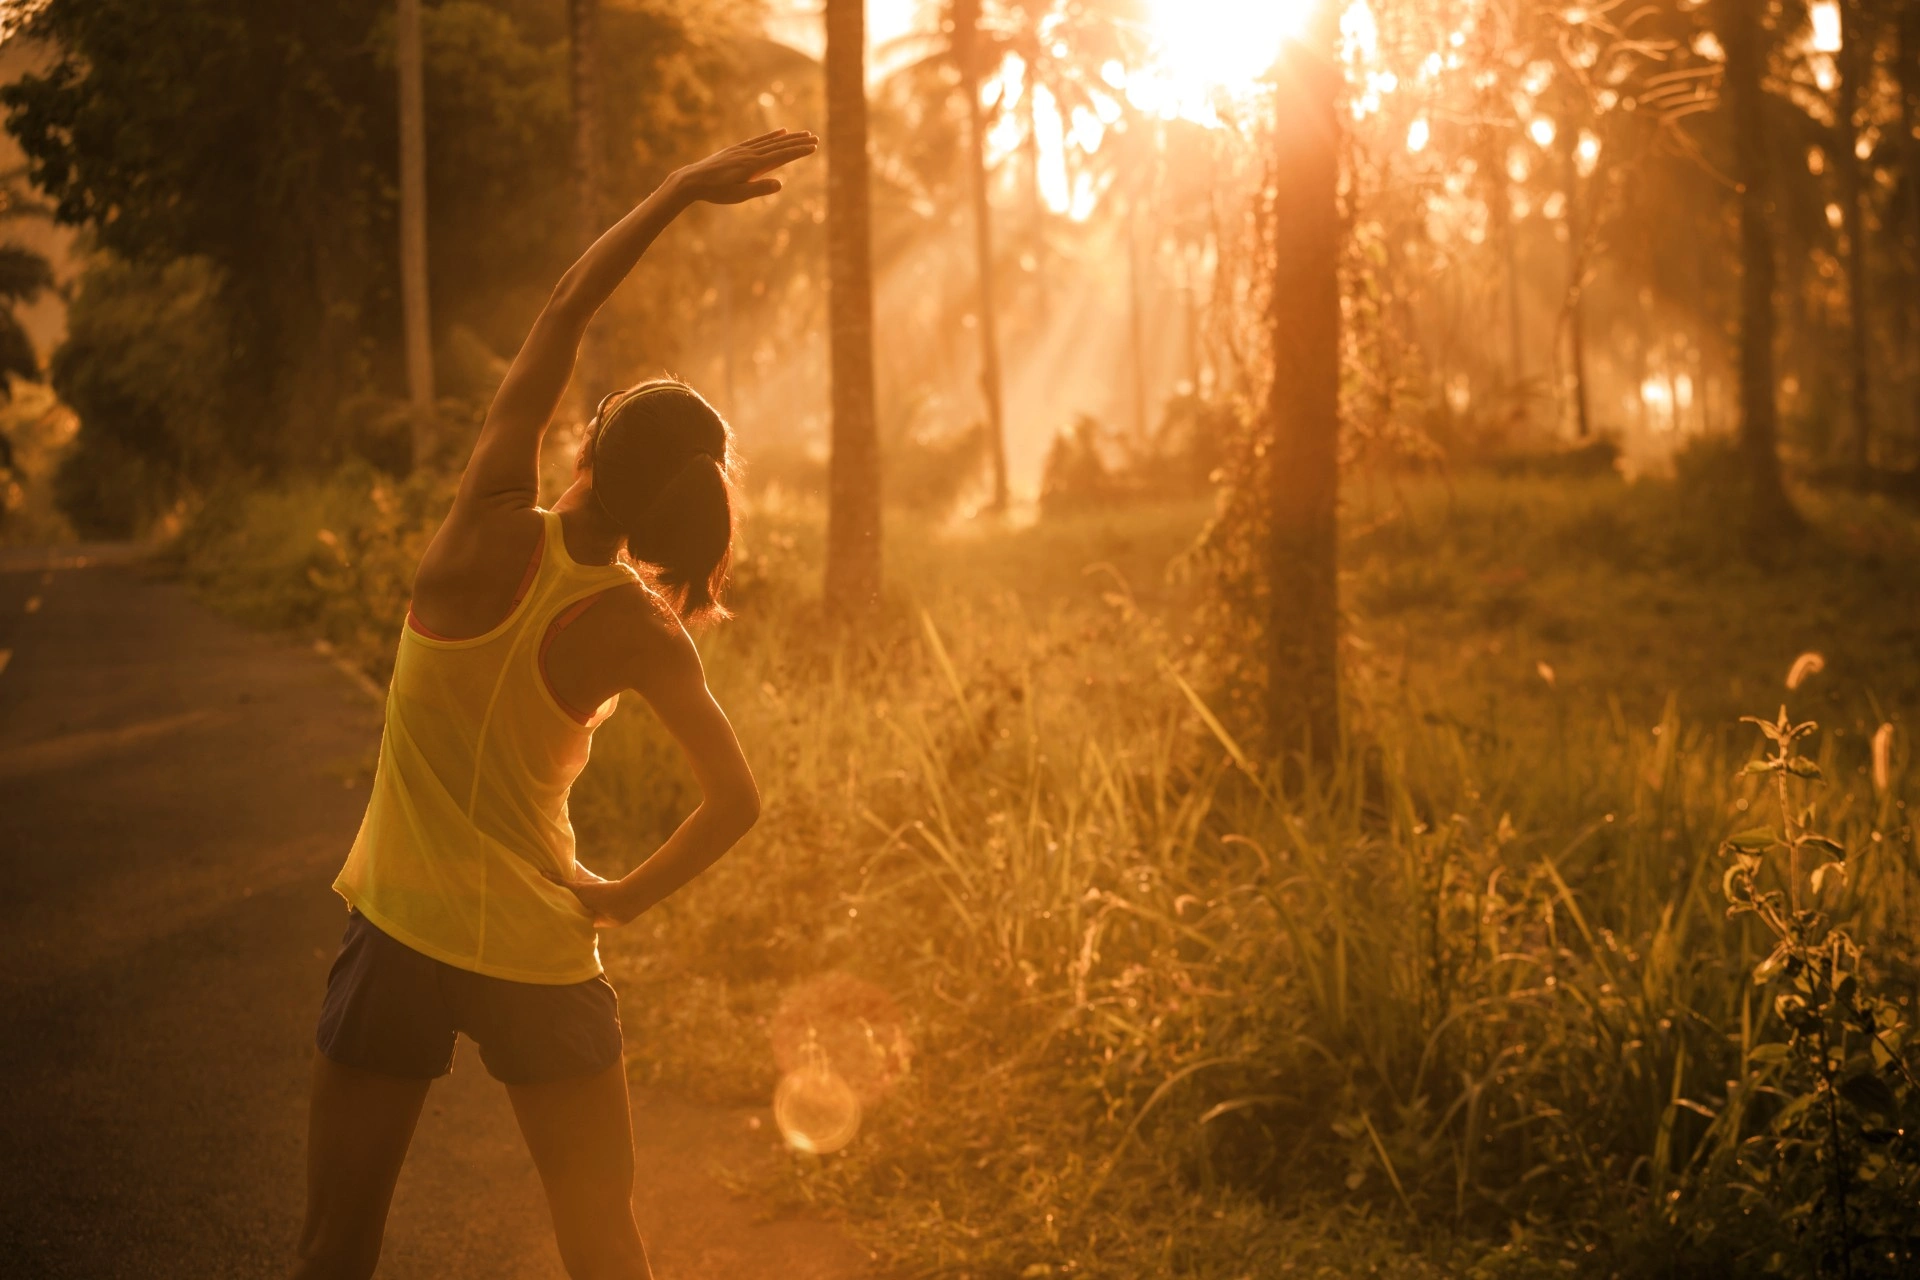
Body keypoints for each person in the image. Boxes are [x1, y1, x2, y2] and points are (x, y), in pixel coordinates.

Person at [294, 128, 818, 1280]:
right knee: (603, 1244)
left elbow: (565, 307)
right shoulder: (641, 628)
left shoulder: (484, 516)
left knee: (336, 1246)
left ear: (586, 441)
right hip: (542, 949)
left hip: (397, 931)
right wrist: (620, 898)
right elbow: (737, 800)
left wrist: (678, 187)